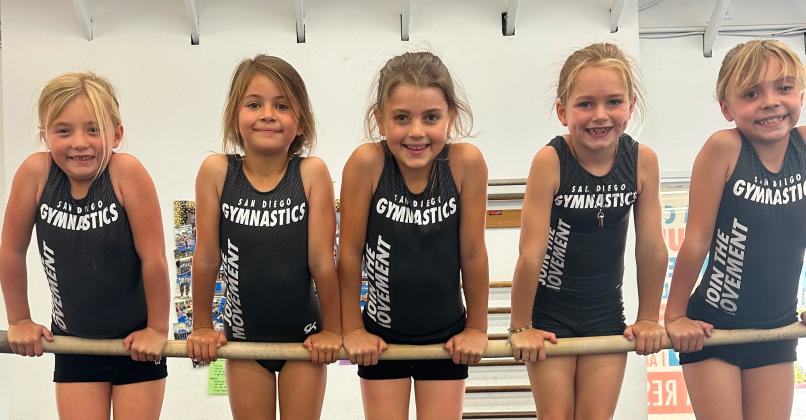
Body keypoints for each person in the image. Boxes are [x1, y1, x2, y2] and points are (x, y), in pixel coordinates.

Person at [664, 39, 806, 420]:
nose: (770, 101)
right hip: (714, 326)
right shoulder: (724, 148)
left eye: (784, 87)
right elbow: (696, 238)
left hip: (775, 327)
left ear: (801, 92)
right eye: (751, 93)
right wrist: (676, 315)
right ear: (726, 108)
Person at [508, 43, 668, 419]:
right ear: (563, 111)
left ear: (631, 105)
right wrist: (520, 325)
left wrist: (648, 317)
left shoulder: (642, 161)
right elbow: (531, 252)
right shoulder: (551, 161)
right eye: (585, 104)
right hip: (550, 314)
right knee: (556, 416)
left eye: (613, 102)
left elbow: (650, 248)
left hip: (605, 313)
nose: (601, 115)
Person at [0, 72, 170, 420]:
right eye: (63, 130)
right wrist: (19, 319)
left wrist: (157, 329)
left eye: (94, 129)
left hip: (135, 343)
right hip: (73, 342)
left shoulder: (125, 173)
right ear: (45, 134)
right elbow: (11, 251)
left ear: (116, 134)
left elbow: (153, 258)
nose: (80, 142)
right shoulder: (35, 174)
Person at [185, 55, 342, 420]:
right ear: (235, 117)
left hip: (303, 338)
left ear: (300, 121)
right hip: (243, 338)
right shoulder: (217, 172)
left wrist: (333, 329)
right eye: (254, 104)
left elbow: (323, 261)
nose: (268, 114)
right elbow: (207, 257)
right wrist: (202, 326)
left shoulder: (311, 173)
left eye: (282, 105)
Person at [337, 51, 490, 420]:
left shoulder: (465, 163)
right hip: (381, 338)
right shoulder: (367, 163)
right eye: (401, 118)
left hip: (446, 337)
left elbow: (472, 254)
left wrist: (477, 328)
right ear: (380, 118)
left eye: (431, 117)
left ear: (450, 117)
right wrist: (353, 328)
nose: (416, 131)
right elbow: (349, 252)